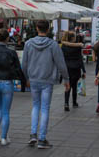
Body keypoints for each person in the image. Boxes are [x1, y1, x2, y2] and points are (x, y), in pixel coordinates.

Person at [21, 19, 69, 149]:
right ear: (48, 29)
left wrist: (25, 78)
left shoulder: (28, 44)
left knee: (35, 106)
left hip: (33, 79)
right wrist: (66, 79)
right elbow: (61, 63)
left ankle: (33, 134)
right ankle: (42, 139)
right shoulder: (53, 45)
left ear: (37, 28)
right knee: (45, 108)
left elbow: (24, 63)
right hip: (47, 80)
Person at [60, 31, 85, 112]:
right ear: (72, 38)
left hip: (67, 68)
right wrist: (83, 70)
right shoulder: (77, 46)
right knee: (74, 86)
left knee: (68, 86)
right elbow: (80, 58)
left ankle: (66, 103)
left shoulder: (63, 46)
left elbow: (61, 58)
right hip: (76, 68)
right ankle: (74, 102)